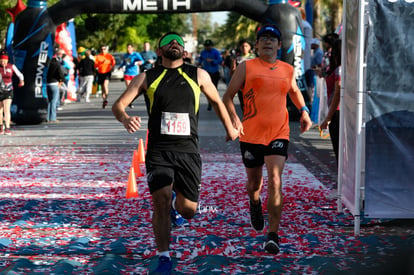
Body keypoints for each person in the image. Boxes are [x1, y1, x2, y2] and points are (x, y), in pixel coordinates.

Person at [112, 32, 239, 274]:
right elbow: (119, 104)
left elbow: (217, 101)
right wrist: (125, 118)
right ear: (158, 51)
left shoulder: (198, 75)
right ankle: (163, 256)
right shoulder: (146, 78)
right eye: (169, 41)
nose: (175, 43)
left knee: (188, 210)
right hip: (159, 151)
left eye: (179, 42)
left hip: (188, 152)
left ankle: (175, 203)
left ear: (185, 51)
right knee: (158, 202)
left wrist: (230, 128)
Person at [222, 24, 312, 254]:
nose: (268, 42)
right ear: (257, 44)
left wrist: (303, 110)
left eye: (272, 39)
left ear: (279, 45)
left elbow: (293, 90)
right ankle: (254, 203)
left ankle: (273, 235)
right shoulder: (246, 67)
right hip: (250, 134)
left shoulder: (286, 69)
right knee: (255, 185)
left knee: (275, 179)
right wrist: (235, 119)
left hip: (278, 133)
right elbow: (228, 97)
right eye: (263, 38)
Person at [320, 39, 342, 165]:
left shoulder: (340, 69)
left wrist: (328, 117)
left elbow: (338, 91)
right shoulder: (342, 69)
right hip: (338, 111)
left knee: (339, 149)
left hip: (337, 111)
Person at [0, 51, 24, 135]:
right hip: (0, 90)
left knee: (6, 109)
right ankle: (1, 126)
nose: (3, 62)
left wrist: (21, 81)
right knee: (0, 110)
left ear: (7, 61)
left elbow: (20, 75)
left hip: (9, 90)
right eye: (1, 61)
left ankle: (7, 127)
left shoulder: (11, 66)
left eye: (4, 61)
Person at [230, 39, 256, 109]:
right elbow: (232, 73)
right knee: (243, 105)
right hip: (241, 86)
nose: (244, 48)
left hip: (252, 85)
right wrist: (233, 69)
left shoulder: (254, 58)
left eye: (246, 46)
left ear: (250, 47)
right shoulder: (237, 59)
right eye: (242, 46)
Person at [197, 39, 223, 111]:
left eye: (209, 46)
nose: (207, 47)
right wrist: (198, 63)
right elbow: (200, 59)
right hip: (206, 73)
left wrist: (213, 61)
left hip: (214, 72)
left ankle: (216, 103)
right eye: (206, 46)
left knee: (214, 88)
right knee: (206, 89)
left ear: (211, 46)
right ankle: (209, 103)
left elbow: (220, 60)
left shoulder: (216, 52)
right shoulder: (203, 52)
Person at [119, 44, 144, 108]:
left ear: (132, 48)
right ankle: (130, 102)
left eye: (130, 48)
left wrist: (139, 62)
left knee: (132, 89)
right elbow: (124, 63)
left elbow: (142, 61)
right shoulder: (125, 55)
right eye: (128, 48)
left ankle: (131, 100)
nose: (129, 49)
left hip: (134, 73)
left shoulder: (136, 54)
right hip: (127, 73)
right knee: (128, 88)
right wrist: (120, 67)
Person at [46, 49, 66, 123]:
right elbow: (60, 74)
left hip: (47, 83)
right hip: (54, 83)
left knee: (49, 101)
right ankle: (53, 118)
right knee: (54, 101)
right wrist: (62, 80)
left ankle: (48, 118)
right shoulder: (57, 64)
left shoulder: (47, 63)